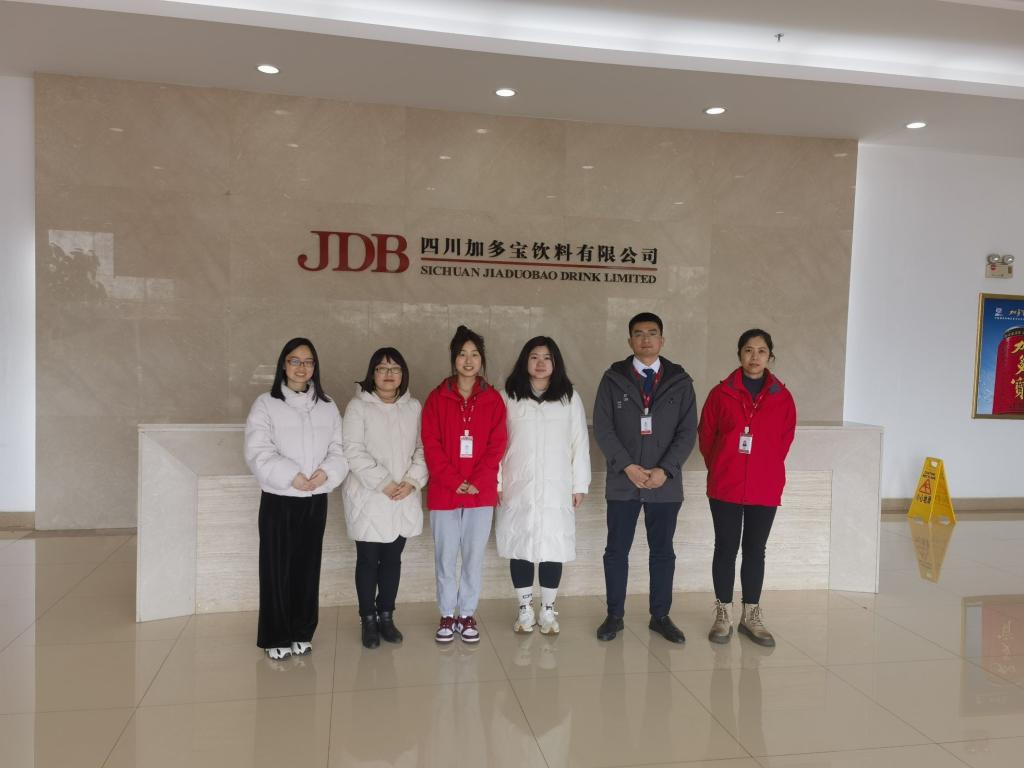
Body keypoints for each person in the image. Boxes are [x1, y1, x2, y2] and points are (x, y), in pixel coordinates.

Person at [593, 312, 698, 644]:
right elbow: (603, 428)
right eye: (639, 334)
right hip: (624, 481)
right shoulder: (612, 379)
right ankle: (614, 615)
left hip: (664, 484)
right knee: (616, 551)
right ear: (630, 341)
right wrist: (627, 466)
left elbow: (687, 432)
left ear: (662, 340)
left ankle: (660, 616)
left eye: (652, 333)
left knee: (663, 551)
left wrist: (665, 470)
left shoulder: (680, 381)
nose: (646, 339)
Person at [244, 337, 348, 660]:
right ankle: (275, 635)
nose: (302, 367)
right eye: (295, 361)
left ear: (315, 367)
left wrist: (325, 474)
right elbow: (258, 451)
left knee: (307, 567)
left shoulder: (328, 406)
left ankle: (302, 631)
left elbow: (339, 449)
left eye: (308, 362)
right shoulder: (266, 404)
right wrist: (292, 475)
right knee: (276, 569)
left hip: (315, 499)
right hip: (279, 499)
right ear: (283, 365)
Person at [698, 329, 796, 647]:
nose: (755, 357)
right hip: (725, 484)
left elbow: (784, 441)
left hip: (765, 485)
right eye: (749, 350)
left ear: (770, 356)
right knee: (725, 548)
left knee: (756, 550)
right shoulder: (720, 394)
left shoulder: (782, 397)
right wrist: (723, 465)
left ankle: (751, 615)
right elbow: (707, 437)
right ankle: (723, 614)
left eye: (761, 351)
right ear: (739, 354)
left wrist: (763, 467)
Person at [497, 336, 591, 635]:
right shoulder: (508, 396)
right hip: (517, 484)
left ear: (555, 363)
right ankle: (525, 609)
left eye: (547, 357)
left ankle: (548, 610)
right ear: (525, 360)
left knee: (553, 545)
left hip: (556, 486)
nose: (540, 363)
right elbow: (496, 443)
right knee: (520, 544)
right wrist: (496, 482)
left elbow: (579, 443)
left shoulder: (569, 398)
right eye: (534, 357)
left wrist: (579, 484)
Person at [421, 325, 508, 644]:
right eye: (462, 354)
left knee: (473, 557)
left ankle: (467, 613)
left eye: (474, 354)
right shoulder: (436, 398)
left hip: (480, 493)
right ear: (453, 359)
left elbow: (497, 445)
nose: (468, 361)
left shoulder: (493, 399)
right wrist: (455, 481)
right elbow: (431, 444)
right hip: (445, 492)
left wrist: (477, 481)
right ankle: (447, 613)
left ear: (481, 359)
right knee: (445, 556)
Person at [341, 347, 428, 649]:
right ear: (372, 373)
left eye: (395, 368)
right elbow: (352, 449)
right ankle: (368, 619)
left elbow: (423, 448)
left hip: (402, 495)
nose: (389, 374)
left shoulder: (414, 407)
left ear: (403, 374)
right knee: (368, 560)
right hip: (369, 497)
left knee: (392, 559)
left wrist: (412, 481)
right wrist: (383, 482)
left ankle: (386, 616)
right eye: (382, 368)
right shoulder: (358, 406)